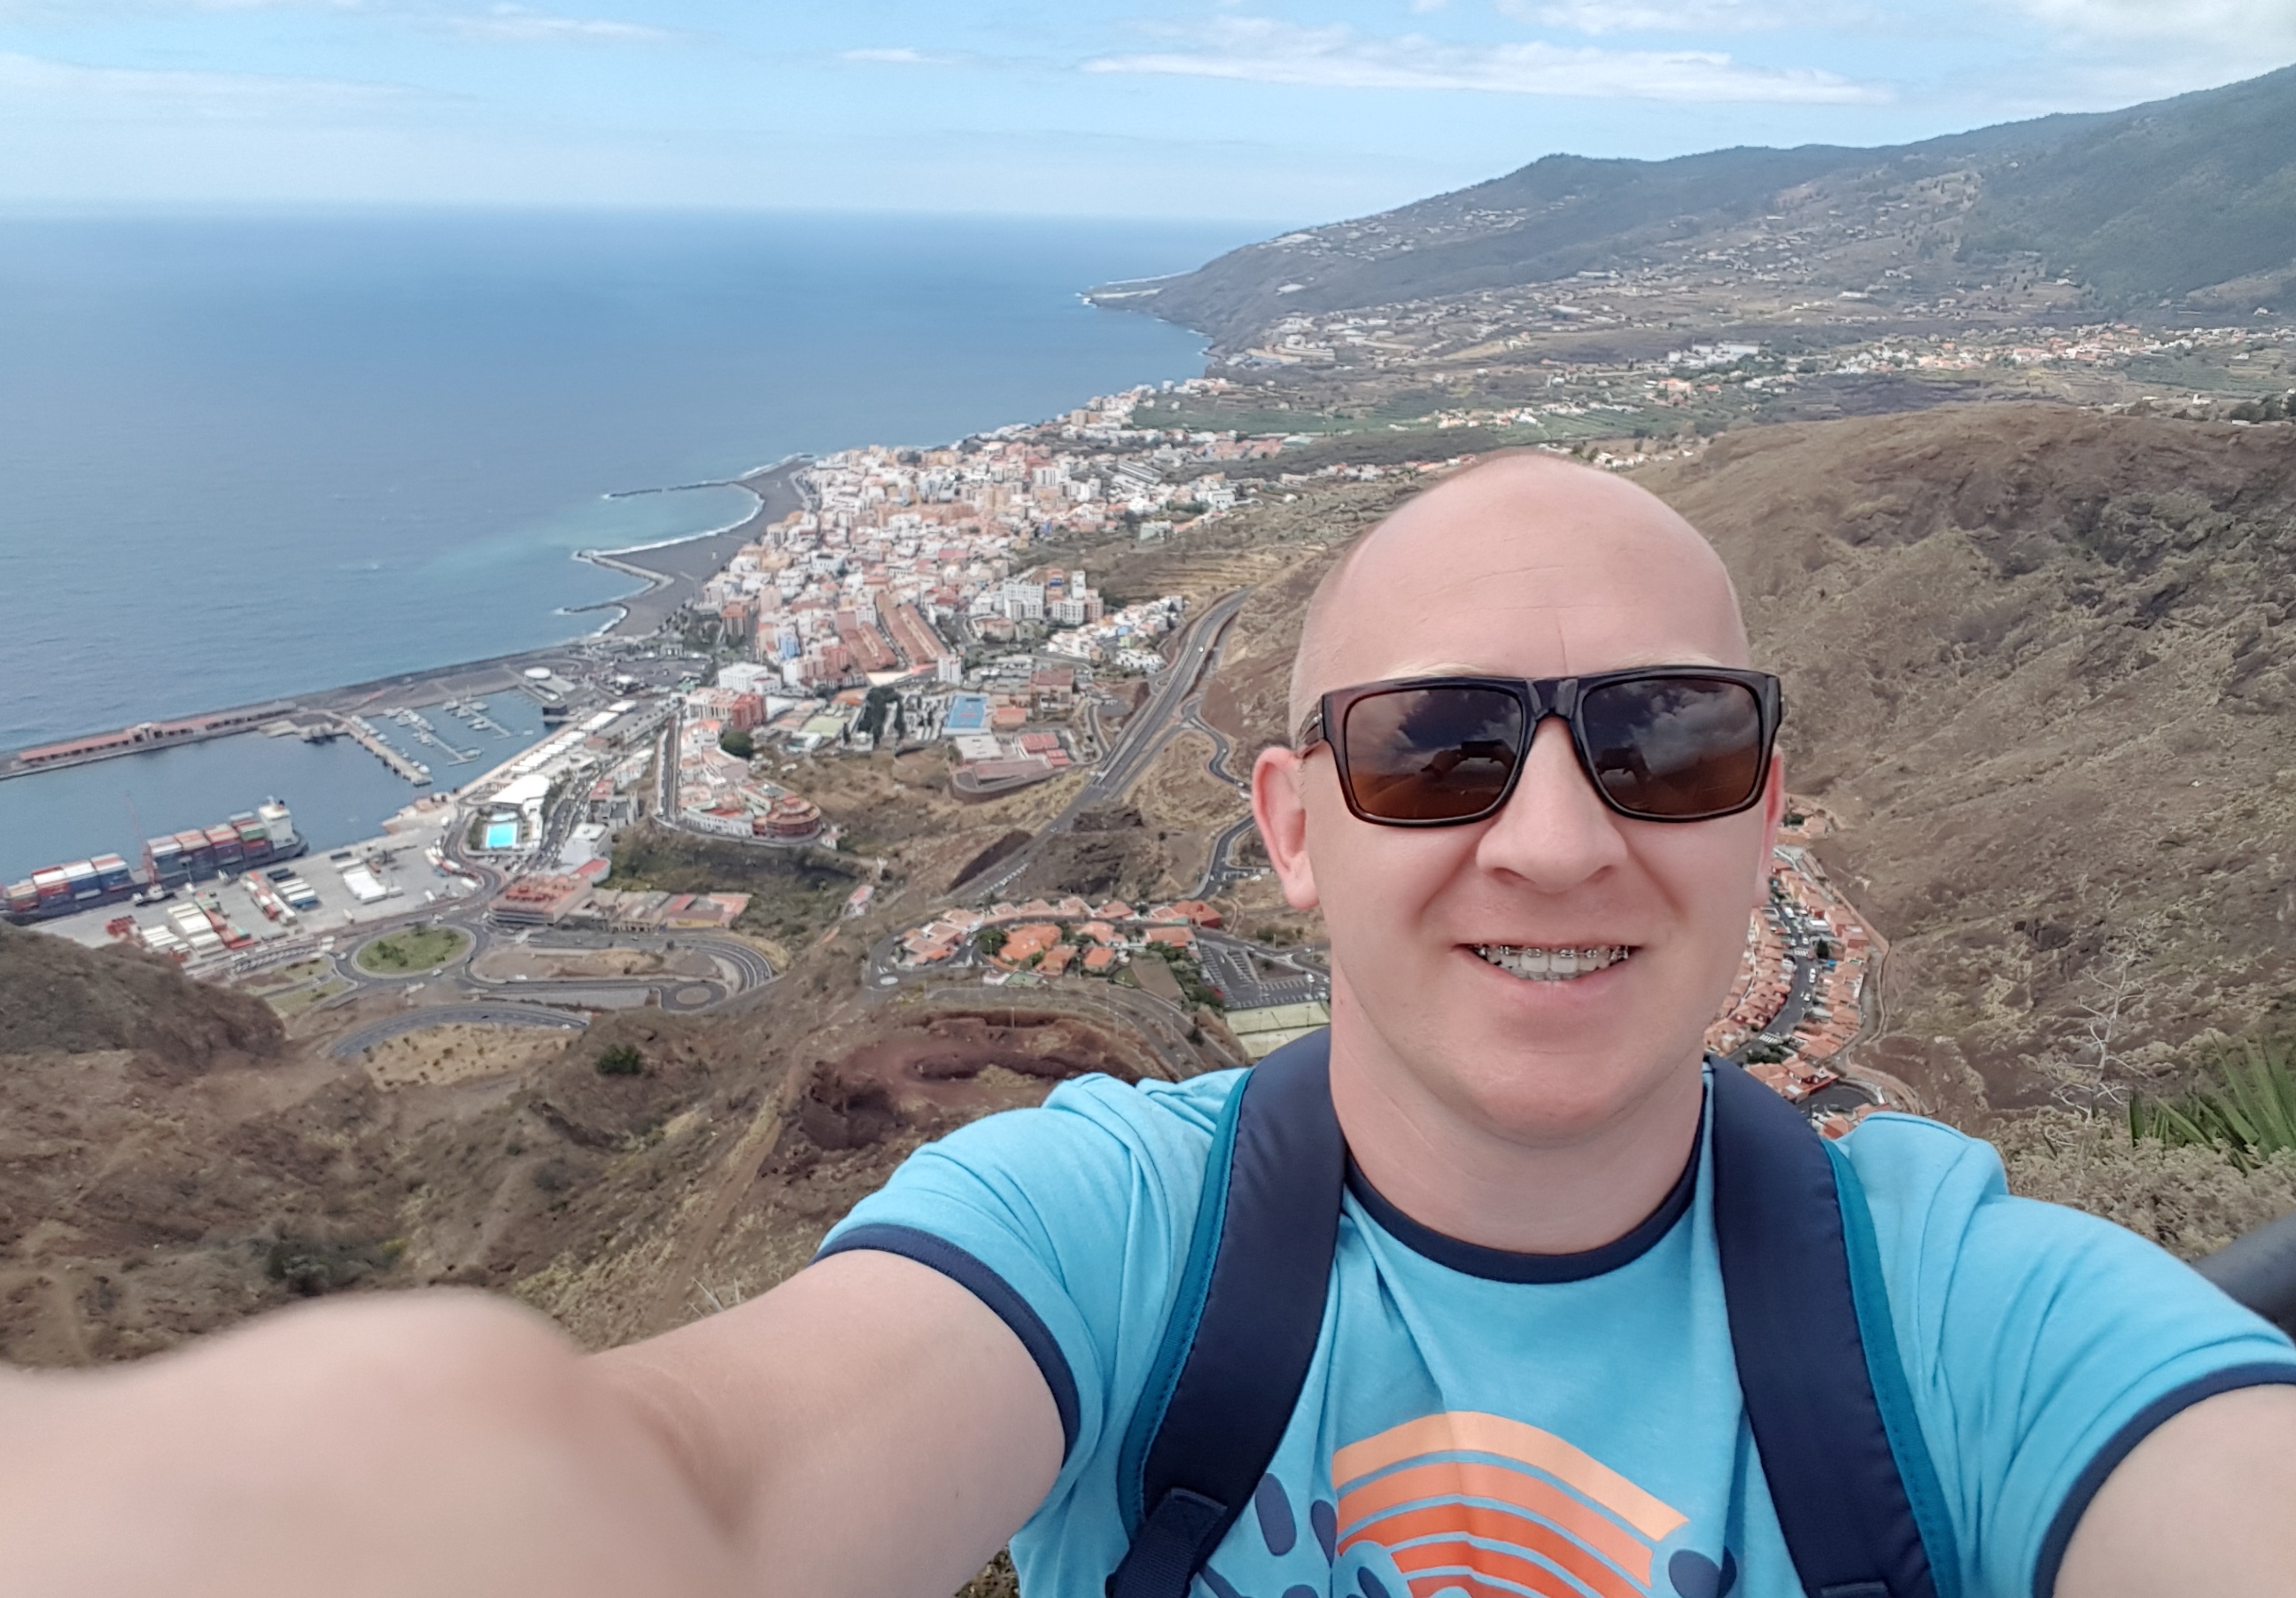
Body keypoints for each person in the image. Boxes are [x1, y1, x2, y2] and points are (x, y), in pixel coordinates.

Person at [4, 454, 2293, 1598]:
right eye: (1439, 751)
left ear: (1765, 812)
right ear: (1292, 829)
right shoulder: (1120, 1236)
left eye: (1667, 742)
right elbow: (701, 1483)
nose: (1556, 840)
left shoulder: (1964, 1318)